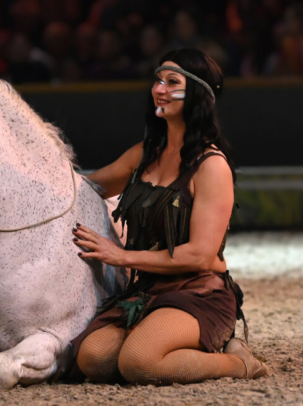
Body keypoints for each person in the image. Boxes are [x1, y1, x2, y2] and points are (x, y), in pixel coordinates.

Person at [71, 48, 270, 385]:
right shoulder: (144, 153)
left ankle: (238, 363)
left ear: (198, 94)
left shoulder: (211, 165)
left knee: (139, 363)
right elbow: (84, 189)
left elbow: (201, 254)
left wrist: (121, 256)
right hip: (149, 291)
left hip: (199, 293)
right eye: (158, 80)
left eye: (172, 82)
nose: (159, 89)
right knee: (93, 359)